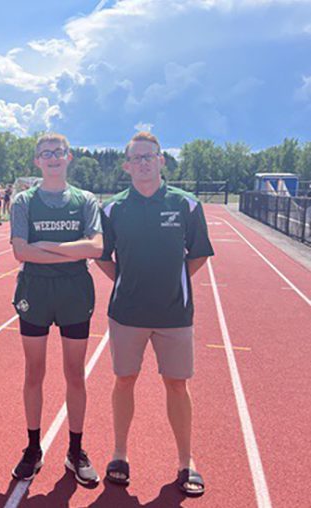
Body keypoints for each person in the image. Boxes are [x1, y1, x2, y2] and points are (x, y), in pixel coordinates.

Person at [96, 131, 213, 497]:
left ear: (161, 161)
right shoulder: (113, 209)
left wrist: (171, 282)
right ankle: (119, 455)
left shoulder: (186, 205)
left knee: (177, 384)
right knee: (124, 380)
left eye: (150, 156)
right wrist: (128, 281)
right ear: (127, 165)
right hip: (126, 313)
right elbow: (102, 257)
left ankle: (185, 461)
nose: (144, 163)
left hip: (174, 313)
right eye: (137, 158)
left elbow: (198, 254)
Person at [9, 133, 102, 485]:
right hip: (35, 290)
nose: (52, 158)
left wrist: (46, 245)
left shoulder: (85, 199)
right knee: (34, 372)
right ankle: (33, 448)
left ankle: (75, 450)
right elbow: (21, 251)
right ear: (37, 161)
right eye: (45, 153)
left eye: (58, 152)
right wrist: (71, 250)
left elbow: (96, 247)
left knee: (75, 374)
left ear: (69, 157)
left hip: (74, 292)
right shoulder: (23, 201)